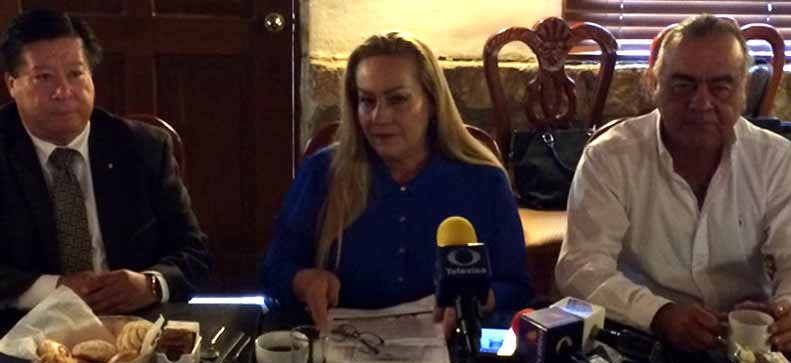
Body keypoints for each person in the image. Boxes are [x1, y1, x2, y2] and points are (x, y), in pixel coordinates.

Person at [556, 14, 791, 353]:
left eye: (721, 86)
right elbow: (581, 268)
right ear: (653, 83)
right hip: (643, 341)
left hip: (752, 344)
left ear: (743, 90)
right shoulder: (609, 157)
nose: (701, 103)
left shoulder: (776, 159)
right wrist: (659, 314)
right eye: (683, 85)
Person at [262, 32, 530, 329]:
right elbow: (274, 271)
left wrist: (474, 301)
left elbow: (516, 287)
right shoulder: (323, 173)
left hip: (450, 350)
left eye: (397, 99)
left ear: (432, 103)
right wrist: (304, 281)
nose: (379, 117)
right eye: (367, 100)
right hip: (342, 349)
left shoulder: (484, 181)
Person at [0, 9, 210, 314]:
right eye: (44, 77)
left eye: (76, 73)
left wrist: (151, 284)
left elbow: (194, 253)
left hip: (133, 325)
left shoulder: (143, 148)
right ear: (12, 84)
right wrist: (54, 290)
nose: (63, 91)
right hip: (23, 327)